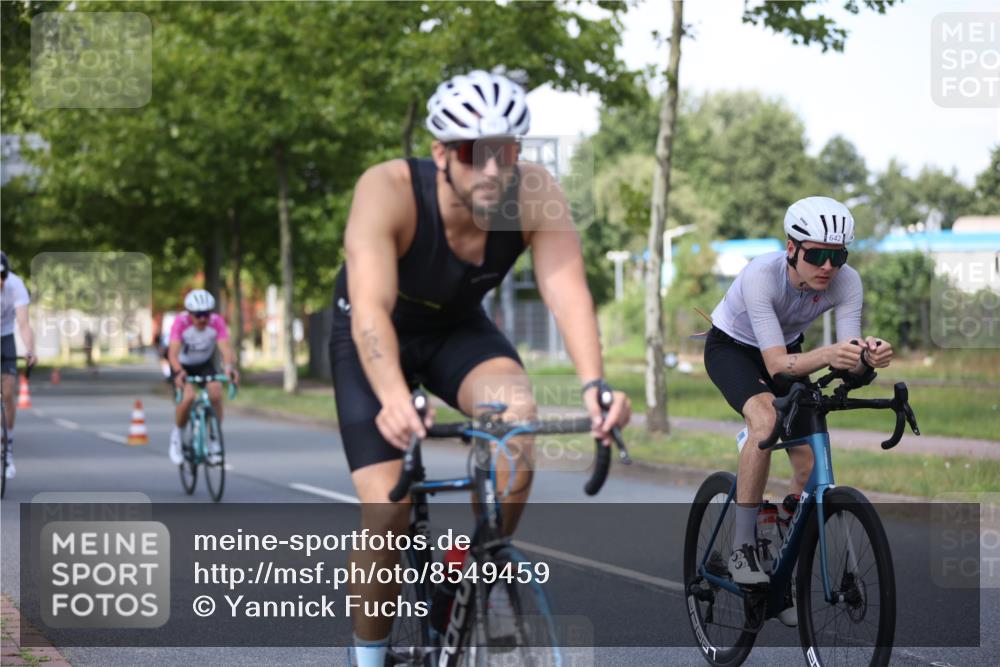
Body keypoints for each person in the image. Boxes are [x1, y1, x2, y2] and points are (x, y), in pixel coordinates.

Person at [330, 70, 632, 666]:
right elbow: (370, 309)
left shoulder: (535, 194)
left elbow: (567, 290)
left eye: (507, 153)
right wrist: (393, 396)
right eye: (474, 153)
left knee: (517, 424)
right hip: (373, 334)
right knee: (387, 509)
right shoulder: (387, 189)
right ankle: (368, 657)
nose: (493, 170)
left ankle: (473, 575)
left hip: (457, 331)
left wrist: (595, 386)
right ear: (442, 154)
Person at [703, 196, 894, 602]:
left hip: (789, 349)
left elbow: (847, 363)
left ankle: (779, 544)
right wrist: (829, 354)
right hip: (733, 349)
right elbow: (775, 366)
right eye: (816, 255)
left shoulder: (847, 282)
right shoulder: (761, 276)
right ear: (791, 248)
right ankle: (741, 546)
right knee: (765, 422)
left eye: (837, 256)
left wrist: (866, 357)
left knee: (808, 461)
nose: (828, 266)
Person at [167, 289, 238, 465]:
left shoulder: (217, 322)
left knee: (216, 393)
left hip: (204, 364)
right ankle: (177, 437)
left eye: (206, 314)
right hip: (182, 366)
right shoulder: (181, 323)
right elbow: (172, 353)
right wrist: (178, 372)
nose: (202, 319)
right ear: (189, 313)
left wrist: (229, 369)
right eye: (198, 315)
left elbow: (225, 349)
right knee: (188, 397)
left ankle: (214, 440)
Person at [1, 251, 37, 479]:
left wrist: (30, 350)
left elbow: (23, 323)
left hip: (5, 337)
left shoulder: (16, 286)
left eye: (2, 277)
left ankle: (8, 449)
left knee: (8, 393)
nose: (0, 282)